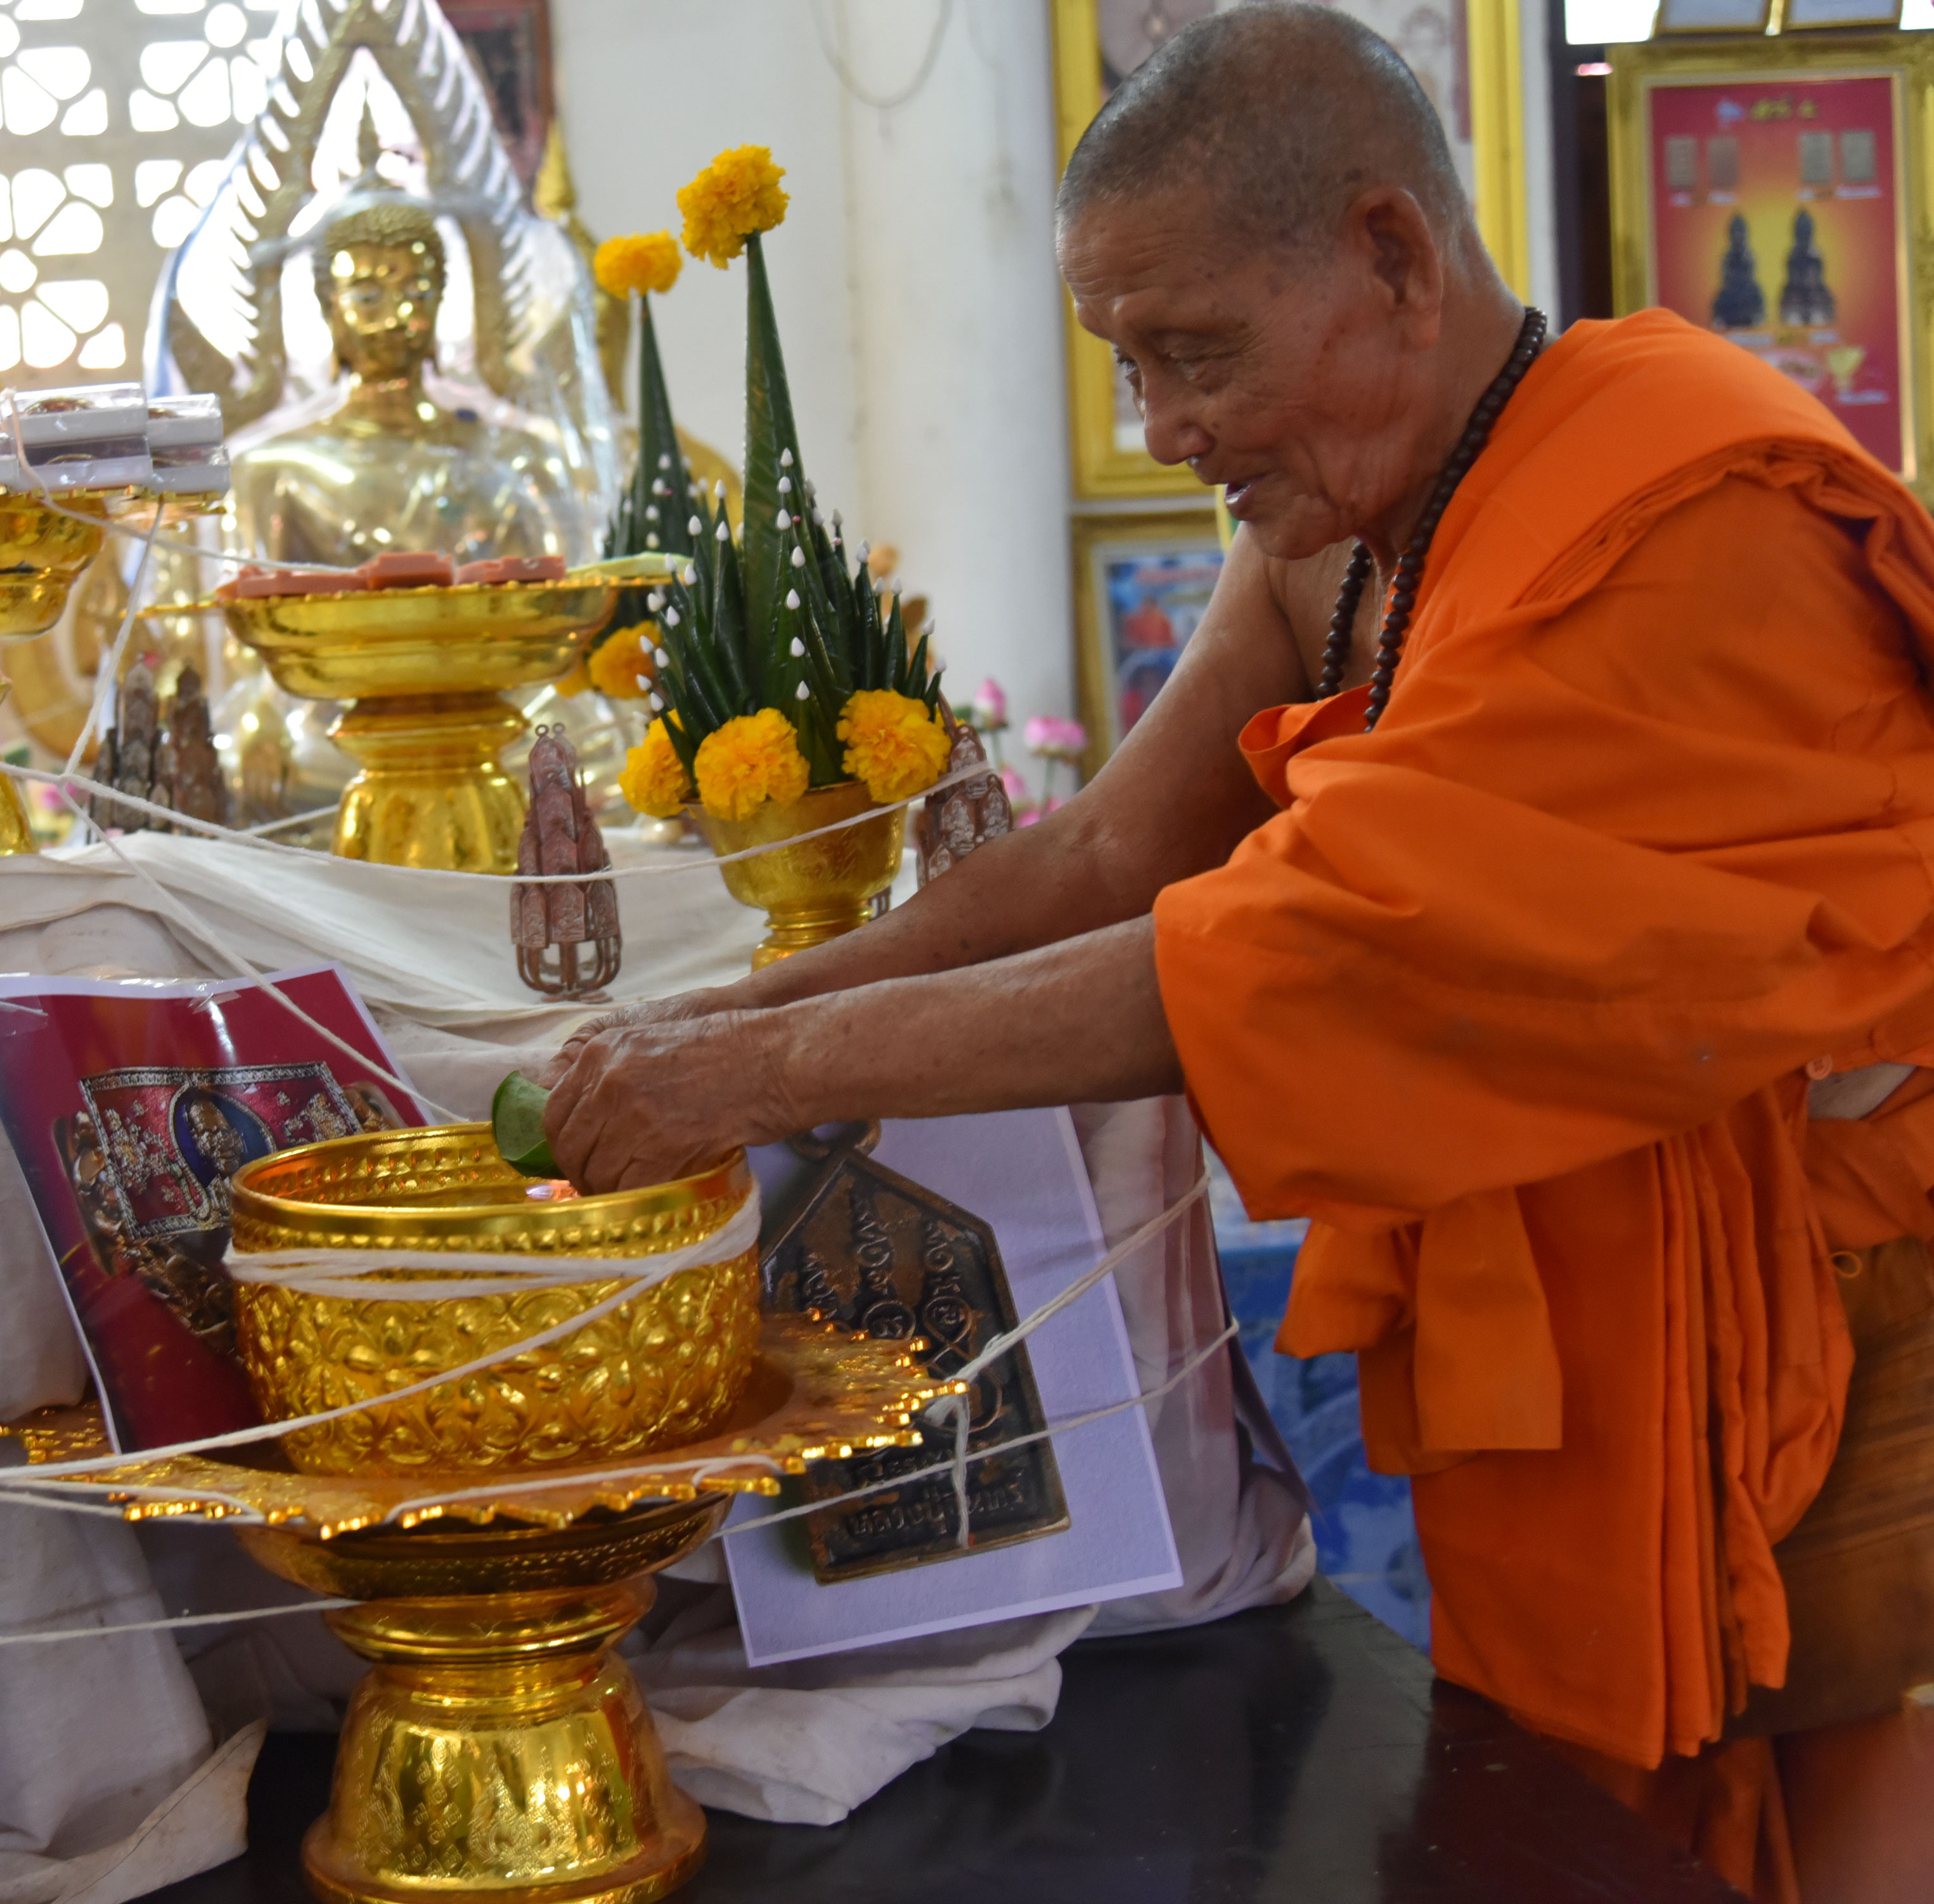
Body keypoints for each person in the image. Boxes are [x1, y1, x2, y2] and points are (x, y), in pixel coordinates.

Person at [542, 7, 1934, 1898]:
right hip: (1569, 1278)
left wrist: (759, 1078)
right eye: (1126, 367)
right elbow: (1119, 849)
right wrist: (737, 1004)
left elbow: (1280, 960)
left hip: (1825, 1296)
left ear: (1391, 252)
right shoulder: (1346, 537)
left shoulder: (1680, 514)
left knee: (1829, 1782)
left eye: (1195, 355)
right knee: (1556, 1809)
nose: (1161, 430)